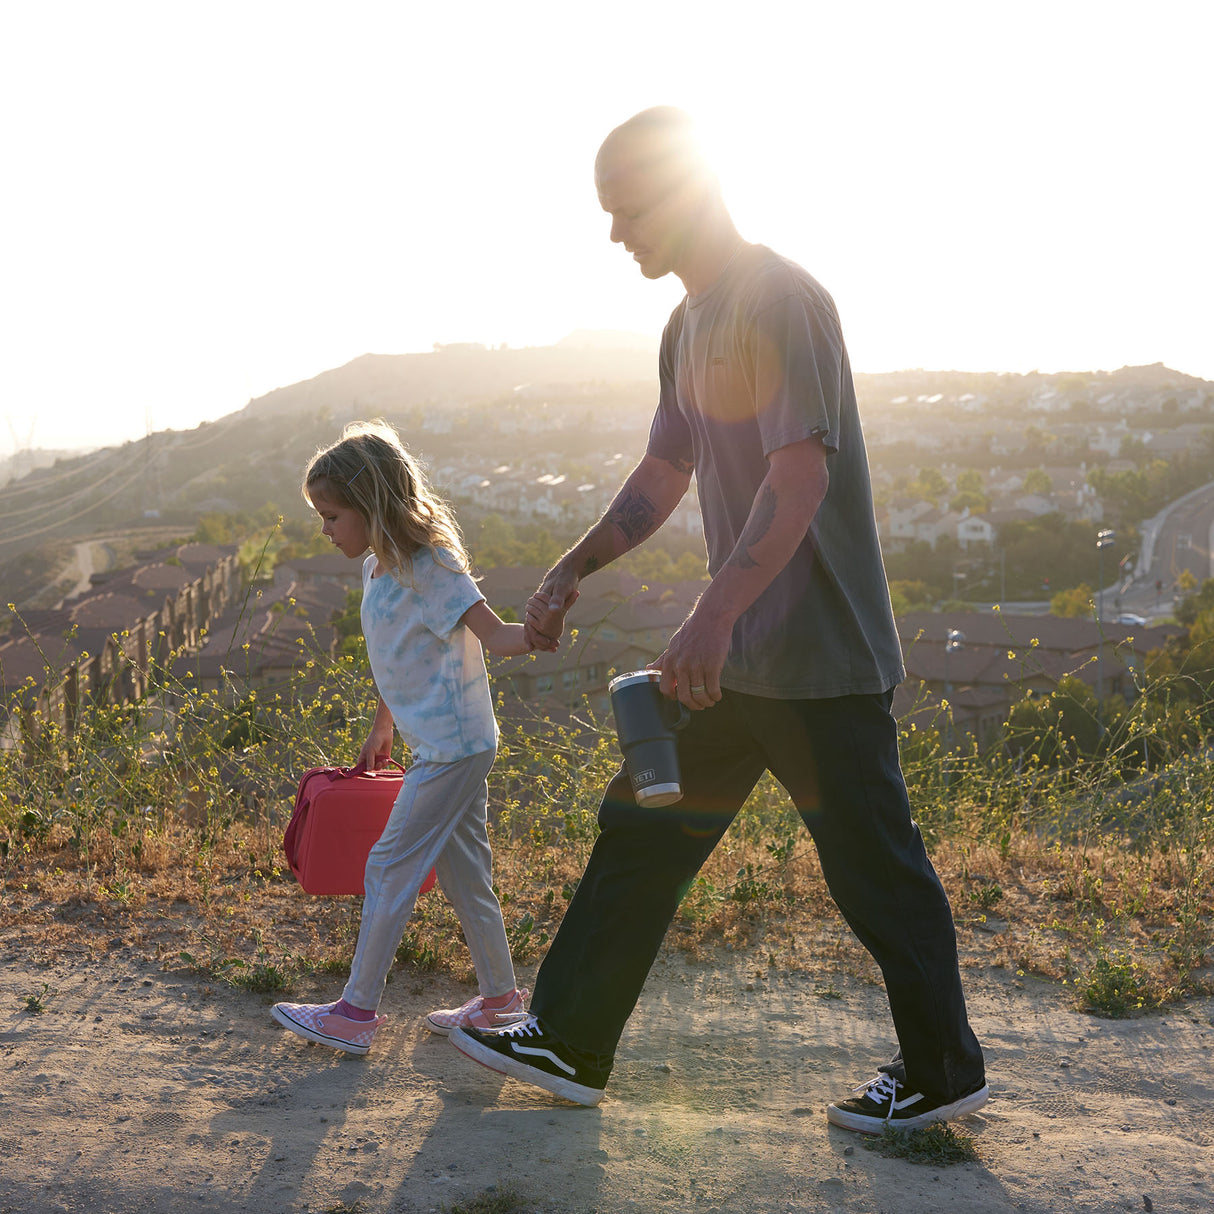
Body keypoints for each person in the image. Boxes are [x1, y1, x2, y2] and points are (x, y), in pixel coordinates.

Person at [449, 107, 988, 1132]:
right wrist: (573, 565)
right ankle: (569, 1034)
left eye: (626, 211)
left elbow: (796, 479)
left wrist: (705, 614)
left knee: (874, 874)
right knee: (640, 827)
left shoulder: (779, 300)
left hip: (819, 657)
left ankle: (943, 1066)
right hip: (735, 660)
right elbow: (664, 468)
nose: (616, 236)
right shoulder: (687, 323)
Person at [271, 420, 541, 1054]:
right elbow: (398, 656)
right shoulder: (377, 567)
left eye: (332, 515)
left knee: (389, 865)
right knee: (465, 874)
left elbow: (496, 635)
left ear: (371, 508)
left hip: (453, 747)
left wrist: (539, 629)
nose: (326, 527)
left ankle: (354, 1014)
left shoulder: (433, 565)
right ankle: (501, 1001)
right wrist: (382, 722)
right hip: (445, 744)